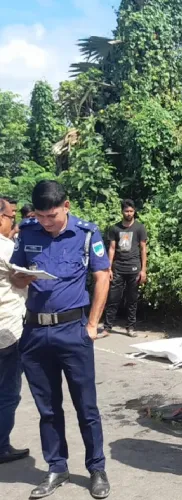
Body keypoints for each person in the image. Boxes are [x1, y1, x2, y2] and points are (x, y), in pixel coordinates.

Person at [10, 180, 111, 499]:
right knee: (48, 408)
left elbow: (102, 276)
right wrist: (20, 276)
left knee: (86, 406)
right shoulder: (28, 232)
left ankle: (96, 468)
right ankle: (57, 467)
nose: (45, 222)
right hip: (35, 332)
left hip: (73, 331)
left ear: (66, 206)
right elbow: (15, 276)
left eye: (51, 216)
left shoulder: (86, 233)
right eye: (40, 216)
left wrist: (92, 324)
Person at [0, 197, 28, 465]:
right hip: (7, 330)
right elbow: (24, 278)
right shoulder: (7, 248)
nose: (14, 222)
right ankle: (1, 446)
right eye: (11, 217)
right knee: (8, 391)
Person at [103, 199, 147, 337]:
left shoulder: (140, 228)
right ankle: (107, 328)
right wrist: (109, 268)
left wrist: (143, 270)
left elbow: (143, 249)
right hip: (118, 267)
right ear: (122, 211)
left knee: (132, 299)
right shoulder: (115, 228)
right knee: (113, 298)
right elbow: (112, 248)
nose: (129, 213)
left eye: (131, 211)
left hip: (134, 267)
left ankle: (130, 327)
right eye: (126, 211)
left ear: (134, 212)